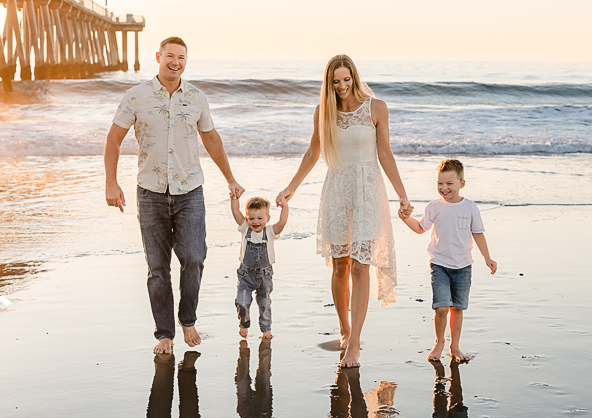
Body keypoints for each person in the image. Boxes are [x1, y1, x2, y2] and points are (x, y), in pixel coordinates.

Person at [104, 36, 244, 355]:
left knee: (194, 258)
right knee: (157, 267)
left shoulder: (196, 98)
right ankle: (164, 333)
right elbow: (113, 139)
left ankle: (187, 318)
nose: (175, 62)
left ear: (185, 61)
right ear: (158, 57)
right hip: (150, 192)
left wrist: (231, 179)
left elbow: (211, 140)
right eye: (170, 56)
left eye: (181, 57)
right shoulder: (135, 96)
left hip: (189, 190)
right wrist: (111, 183)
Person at [276, 54, 412, 368]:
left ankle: (354, 342)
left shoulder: (376, 108)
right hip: (337, 190)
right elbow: (314, 151)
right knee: (341, 266)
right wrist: (291, 187)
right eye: (335, 82)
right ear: (329, 83)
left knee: (362, 265)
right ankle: (343, 327)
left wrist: (403, 195)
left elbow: (386, 154)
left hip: (368, 190)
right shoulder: (324, 112)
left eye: (346, 80)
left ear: (354, 76)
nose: (342, 86)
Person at [400, 159, 497, 362]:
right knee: (442, 307)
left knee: (458, 308)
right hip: (439, 263)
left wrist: (487, 257)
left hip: (463, 265)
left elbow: (478, 234)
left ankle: (455, 346)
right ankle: (439, 342)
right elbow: (420, 228)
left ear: (462, 183)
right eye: (440, 183)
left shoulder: (470, 207)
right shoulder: (434, 206)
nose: (444, 188)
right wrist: (404, 218)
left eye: (449, 183)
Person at [230, 195, 289, 339]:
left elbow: (282, 223)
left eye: (259, 218)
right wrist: (234, 198)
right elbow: (236, 211)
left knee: (264, 303)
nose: (255, 222)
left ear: (267, 218)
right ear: (247, 218)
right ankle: (244, 323)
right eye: (251, 218)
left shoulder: (269, 231)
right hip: (246, 275)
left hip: (264, 275)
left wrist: (285, 206)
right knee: (242, 302)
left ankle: (266, 329)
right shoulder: (245, 228)